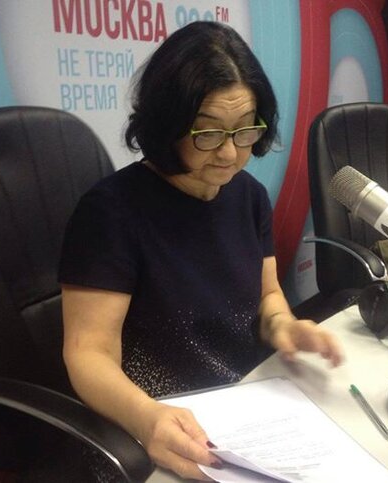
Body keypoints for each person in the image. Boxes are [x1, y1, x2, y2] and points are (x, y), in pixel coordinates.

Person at [59, 21, 343, 481]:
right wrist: (146, 419)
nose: (230, 154)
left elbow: (268, 296)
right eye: (208, 134)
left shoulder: (248, 196)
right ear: (167, 125)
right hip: (148, 427)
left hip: (241, 415)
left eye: (245, 131)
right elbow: (87, 353)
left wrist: (284, 326)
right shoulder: (110, 212)